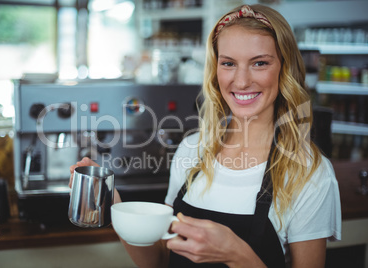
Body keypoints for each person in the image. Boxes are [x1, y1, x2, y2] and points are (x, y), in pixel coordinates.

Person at [69, 4, 341, 267]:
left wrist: (237, 255)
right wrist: (114, 205)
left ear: (285, 69)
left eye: (259, 63)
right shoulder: (192, 150)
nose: (242, 80)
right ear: (216, 71)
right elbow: (161, 260)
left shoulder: (309, 173)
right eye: (229, 63)